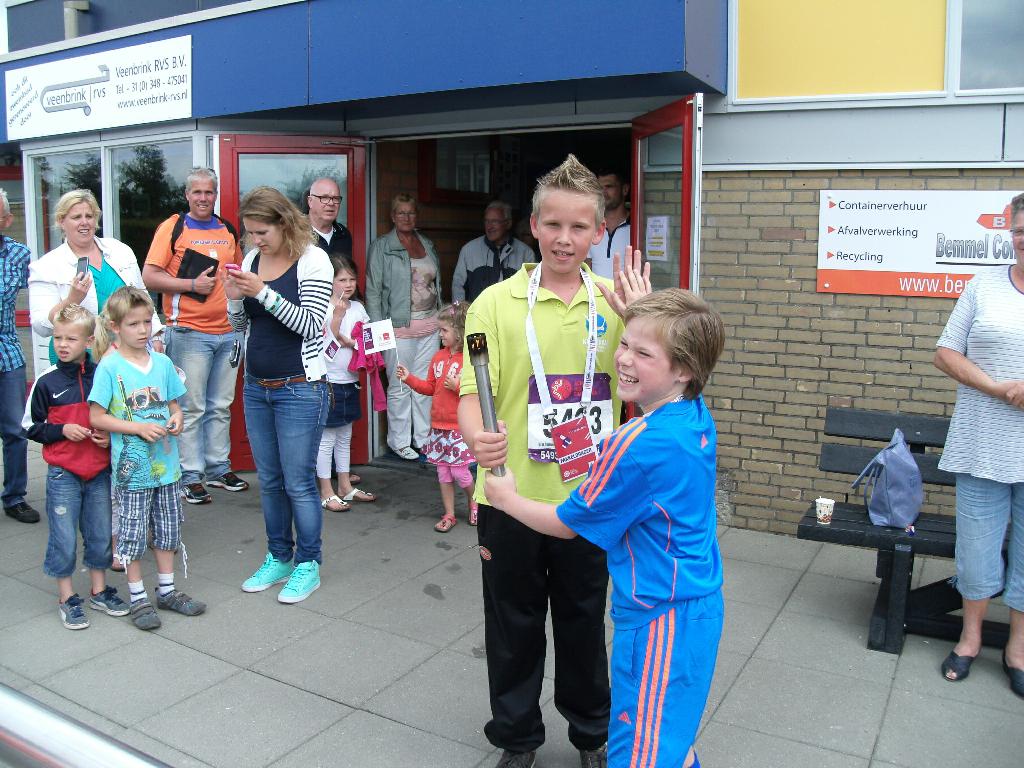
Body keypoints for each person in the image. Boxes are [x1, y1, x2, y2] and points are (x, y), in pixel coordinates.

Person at [458, 154, 651, 768]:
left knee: (583, 622)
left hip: (591, 499)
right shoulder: (493, 304)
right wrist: (477, 439)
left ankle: (592, 734)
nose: (565, 239)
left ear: (599, 231)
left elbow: (656, 389)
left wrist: (645, 319)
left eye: (579, 226)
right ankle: (517, 738)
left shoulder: (614, 306)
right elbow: (472, 395)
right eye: (554, 225)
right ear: (534, 227)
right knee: (511, 626)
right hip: (509, 495)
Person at [485, 289, 725, 768]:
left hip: (659, 619)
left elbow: (565, 524)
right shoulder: (694, 415)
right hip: (695, 608)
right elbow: (673, 359)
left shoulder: (637, 444)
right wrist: (643, 320)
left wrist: (507, 498)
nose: (624, 358)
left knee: (640, 753)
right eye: (624, 343)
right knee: (671, 743)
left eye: (643, 353)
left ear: (684, 369)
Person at [934, 191, 1024, 698]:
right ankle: (969, 639)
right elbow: (945, 353)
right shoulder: (983, 285)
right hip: (981, 443)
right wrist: (997, 388)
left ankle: (1017, 649)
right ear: (1010, 234)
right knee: (976, 550)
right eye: (1020, 232)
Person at [227, 186, 332, 605]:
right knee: (269, 481)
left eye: (262, 232)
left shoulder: (314, 259)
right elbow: (241, 327)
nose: (255, 241)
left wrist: (262, 292)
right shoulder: (252, 260)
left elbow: (310, 325)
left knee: (298, 482)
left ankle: (308, 563)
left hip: (301, 387)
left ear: (284, 223)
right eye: (250, 233)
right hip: (257, 386)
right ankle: (279, 557)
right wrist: (234, 300)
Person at [88, 287, 205, 631]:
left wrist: (177, 418)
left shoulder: (163, 363)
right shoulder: (110, 367)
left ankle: (167, 591)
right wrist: (136, 427)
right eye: (133, 324)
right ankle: (137, 596)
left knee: (168, 530)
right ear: (115, 327)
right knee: (133, 534)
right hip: (132, 472)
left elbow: (174, 405)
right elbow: (96, 416)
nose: (142, 330)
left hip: (167, 468)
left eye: (146, 322)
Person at [143, 167, 248, 506]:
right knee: (191, 408)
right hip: (189, 332)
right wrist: (191, 285)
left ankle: (218, 468)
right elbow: (149, 277)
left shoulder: (227, 228)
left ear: (216, 194)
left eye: (209, 192)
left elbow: (238, 273)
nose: (204, 198)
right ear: (187, 195)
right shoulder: (173, 227)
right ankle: (190, 475)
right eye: (197, 192)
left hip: (228, 332)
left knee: (220, 406)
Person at [23, 304, 129, 629]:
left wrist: (109, 438)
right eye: (57, 338)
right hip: (63, 474)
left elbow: (119, 417)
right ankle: (67, 596)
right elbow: (29, 426)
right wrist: (61, 430)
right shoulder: (46, 381)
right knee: (64, 536)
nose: (62, 345)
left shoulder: (103, 375)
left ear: (88, 341)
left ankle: (99, 590)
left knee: (100, 534)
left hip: (99, 472)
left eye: (71, 338)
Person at [28, 189, 162, 363]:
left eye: (89, 216)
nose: (84, 222)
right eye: (76, 217)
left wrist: (156, 335)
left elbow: (142, 296)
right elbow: (41, 326)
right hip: (78, 359)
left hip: (128, 354)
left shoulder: (120, 250)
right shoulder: (46, 266)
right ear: (61, 221)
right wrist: (72, 300)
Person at [366, 193, 442, 461]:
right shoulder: (382, 247)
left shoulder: (426, 243)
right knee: (400, 386)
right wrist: (379, 333)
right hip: (398, 329)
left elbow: (436, 284)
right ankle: (399, 441)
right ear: (392, 216)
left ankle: (423, 438)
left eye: (411, 212)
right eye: (401, 213)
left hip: (430, 327)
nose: (407, 218)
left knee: (423, 385)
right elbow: (373, 291)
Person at [396, 302, 476, 533]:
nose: (440, 334)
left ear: (459, 332)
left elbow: (478, 392)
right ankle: (449, 513)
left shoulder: (470, 359)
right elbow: (429, 388)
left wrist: (458, 386)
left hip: (459, 426)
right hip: (439, 427)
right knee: (443, 472)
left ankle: (474, 502)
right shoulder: (438, 357)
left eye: (444, 330)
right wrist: (409, 378)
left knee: (460, 471)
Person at [317, 255, 376, 512]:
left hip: (351, 379)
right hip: (328, 380)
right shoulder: (322, 306)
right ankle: (326, 490)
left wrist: (358, 343)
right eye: (342, 279)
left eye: (352, 279)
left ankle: (344, 486)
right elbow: (326, 341)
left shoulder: (358, 307)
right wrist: (338, 318)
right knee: (326, 437)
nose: (348, 284)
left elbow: (369, 339)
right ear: (330, 281)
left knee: (344, 436)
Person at [0, 189, 39, 524]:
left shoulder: (19, 255)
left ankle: (14, 497)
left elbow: (42, 289)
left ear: (7, 220)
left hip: (7, 354)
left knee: (15, 429)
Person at [452, 201, 535, 303]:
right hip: (478, 312)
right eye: (487, 221)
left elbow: (531, 289)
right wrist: (460, 311)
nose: (489, 227)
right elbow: (458, 286)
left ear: (508, 223)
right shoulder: (469, 250)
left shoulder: (526, 253)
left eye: (494, 221)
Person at [587, 169, 630, 280]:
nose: (603, 192)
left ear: (625, 189)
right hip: (595, 291)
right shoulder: (590, 226)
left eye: (609, 186)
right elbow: (586, 267)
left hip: (627, 291)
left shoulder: (637, 227)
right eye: (600, 188)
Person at [307, 177, 353, 260]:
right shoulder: (295, 233)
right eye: (324, 198)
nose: (331, 203)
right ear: (310, 201)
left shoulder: (343, 234)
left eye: (336, 198)